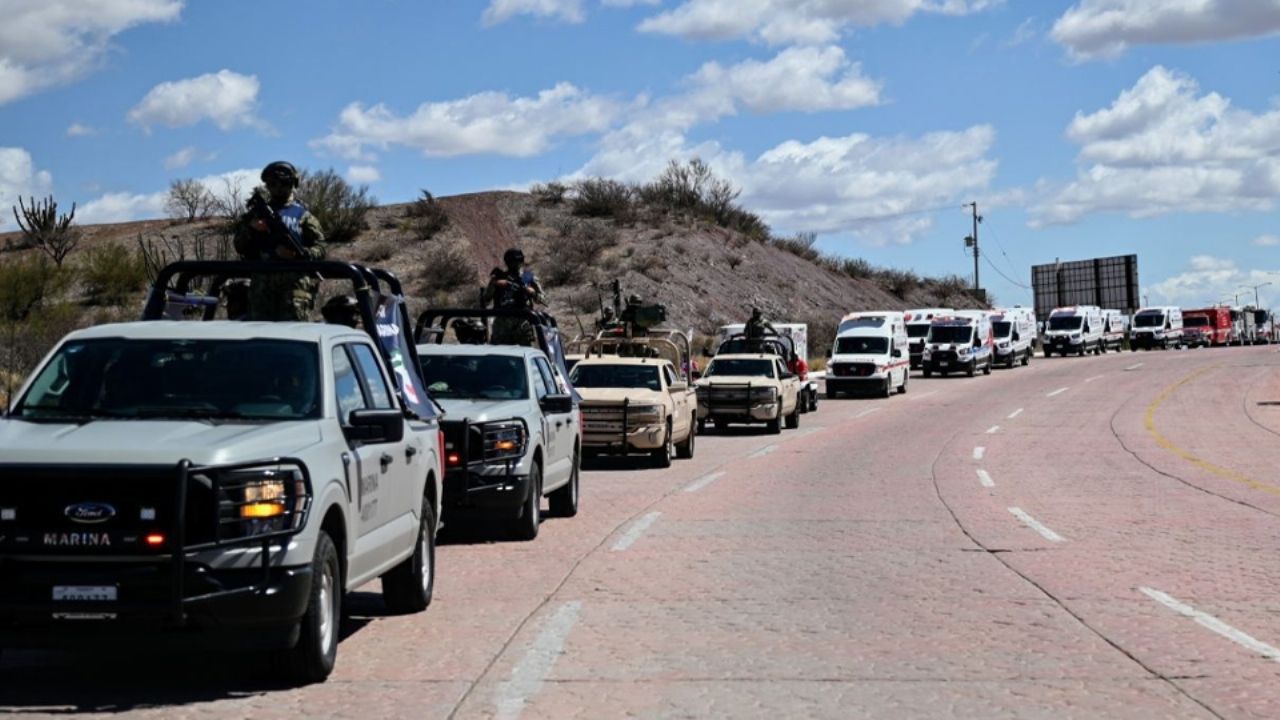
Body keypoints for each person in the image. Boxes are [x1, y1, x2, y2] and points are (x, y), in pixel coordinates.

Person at [233, 161, 326, 321]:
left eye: (284, 183)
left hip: (294, 289)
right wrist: (251, 228)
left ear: (292, 184)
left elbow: (321, 248)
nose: (278, 188)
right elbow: (239, 246)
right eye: (273, 184)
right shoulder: (256, 214)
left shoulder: (303, 216)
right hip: (262, 286)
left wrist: (298, 255)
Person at [483, 248, 542, 345]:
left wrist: (532, 293)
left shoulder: (528, 277)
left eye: (517, 262)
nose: (514, 265)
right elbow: (485, 300)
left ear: (521, 261)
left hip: (523, 324)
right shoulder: (499, 277)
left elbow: (543, 299)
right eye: (511, 262)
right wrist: (494, 284)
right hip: (502, 325)